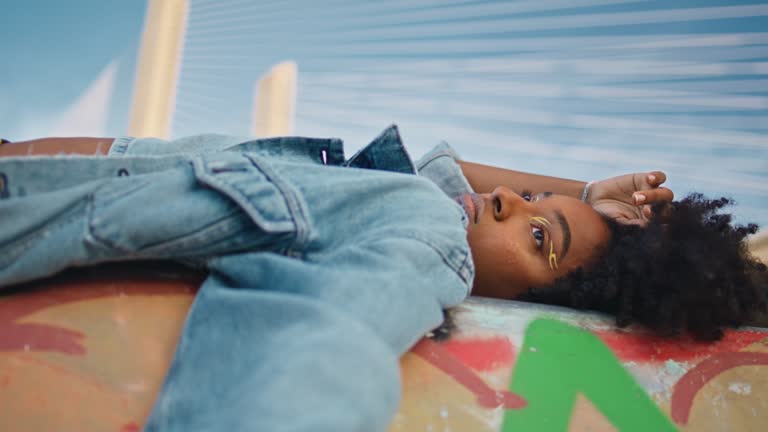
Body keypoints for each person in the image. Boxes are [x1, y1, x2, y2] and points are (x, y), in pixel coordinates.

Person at [0, 126, 765, 430]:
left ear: (519, 298)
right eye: (528, 199)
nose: (506, 197)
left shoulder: (426, 238)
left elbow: (325, 342)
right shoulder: (433, 202)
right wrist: (585, 193)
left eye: (537, 234)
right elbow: (443, 167)